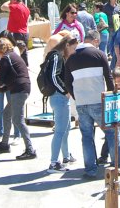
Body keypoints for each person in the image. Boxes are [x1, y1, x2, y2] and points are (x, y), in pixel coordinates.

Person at [65, 29, 120, 179]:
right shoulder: (99, 54)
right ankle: (119, 165)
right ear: (96, 41)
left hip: (82, 102)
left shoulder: (71, 58)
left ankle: (90, 169)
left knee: (87, 136)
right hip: (99, 100)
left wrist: (76, 96)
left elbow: (67, 81)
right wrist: (112, 96)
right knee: (111, 133)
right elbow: (109, 78)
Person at [0, 37, 36, 160]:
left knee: (17, 119)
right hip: (21, 88)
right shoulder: (13, 56)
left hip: (19, 90)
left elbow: (1, 77)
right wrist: (1, 89)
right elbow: (12, 77)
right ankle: (4, 144)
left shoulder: (6, 58)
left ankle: (30, 149)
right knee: (7, 114)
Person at [44, 34, 79, 172]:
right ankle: (54, 162)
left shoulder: (60, 56)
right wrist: (65, 91)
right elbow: (54, 76)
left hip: (60, 97)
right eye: (73, 48)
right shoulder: (57, 56)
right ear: (67, 45)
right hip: (59, 97)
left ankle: (66, 156)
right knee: (60, 131)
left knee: (66, 128)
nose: (74, 52)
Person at [99, 66, 120, 165]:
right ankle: (104, 155)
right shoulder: (111, 90)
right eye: (116, 82)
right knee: (110, 137)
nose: (118, 84)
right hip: (113, 117)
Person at [1, 0, 31, 65]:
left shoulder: (15, 6)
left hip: (16, 33)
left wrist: (10, 1)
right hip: (25, 33)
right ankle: (25, 67)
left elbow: (2, 7)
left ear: (15, 0)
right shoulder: (26, 8)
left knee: (14, 51)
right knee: (23, 52)